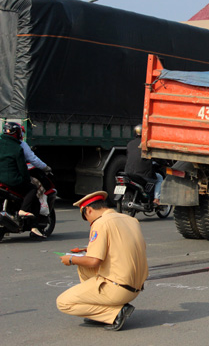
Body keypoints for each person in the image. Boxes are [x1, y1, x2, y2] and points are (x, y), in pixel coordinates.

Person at [56, 191, 148, 331]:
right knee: (84, 267)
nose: (88, 221)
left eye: (86, 217)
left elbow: (94, 262)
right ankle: (102, 311)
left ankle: (113, 313)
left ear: (89, 209)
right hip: (135, 286)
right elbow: (122, 247)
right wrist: (86, 251)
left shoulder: (101, 223)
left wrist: (70, 259)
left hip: (119, 288)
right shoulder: (130, 220)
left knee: (63, 302)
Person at [0, 122, 42, 233]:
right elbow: (23, 169)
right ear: (17, 133)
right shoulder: (17, 148)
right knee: (32, 188)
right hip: (11, 181)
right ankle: (23, 210)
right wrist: (27, 179)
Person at [125, 124, 162, 204]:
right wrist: (163, 162)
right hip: (143, 174)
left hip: (129, 172)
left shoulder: (130, 144)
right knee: (159, 178)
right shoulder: (147, 144)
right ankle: (156, 199)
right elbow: (156, 158)